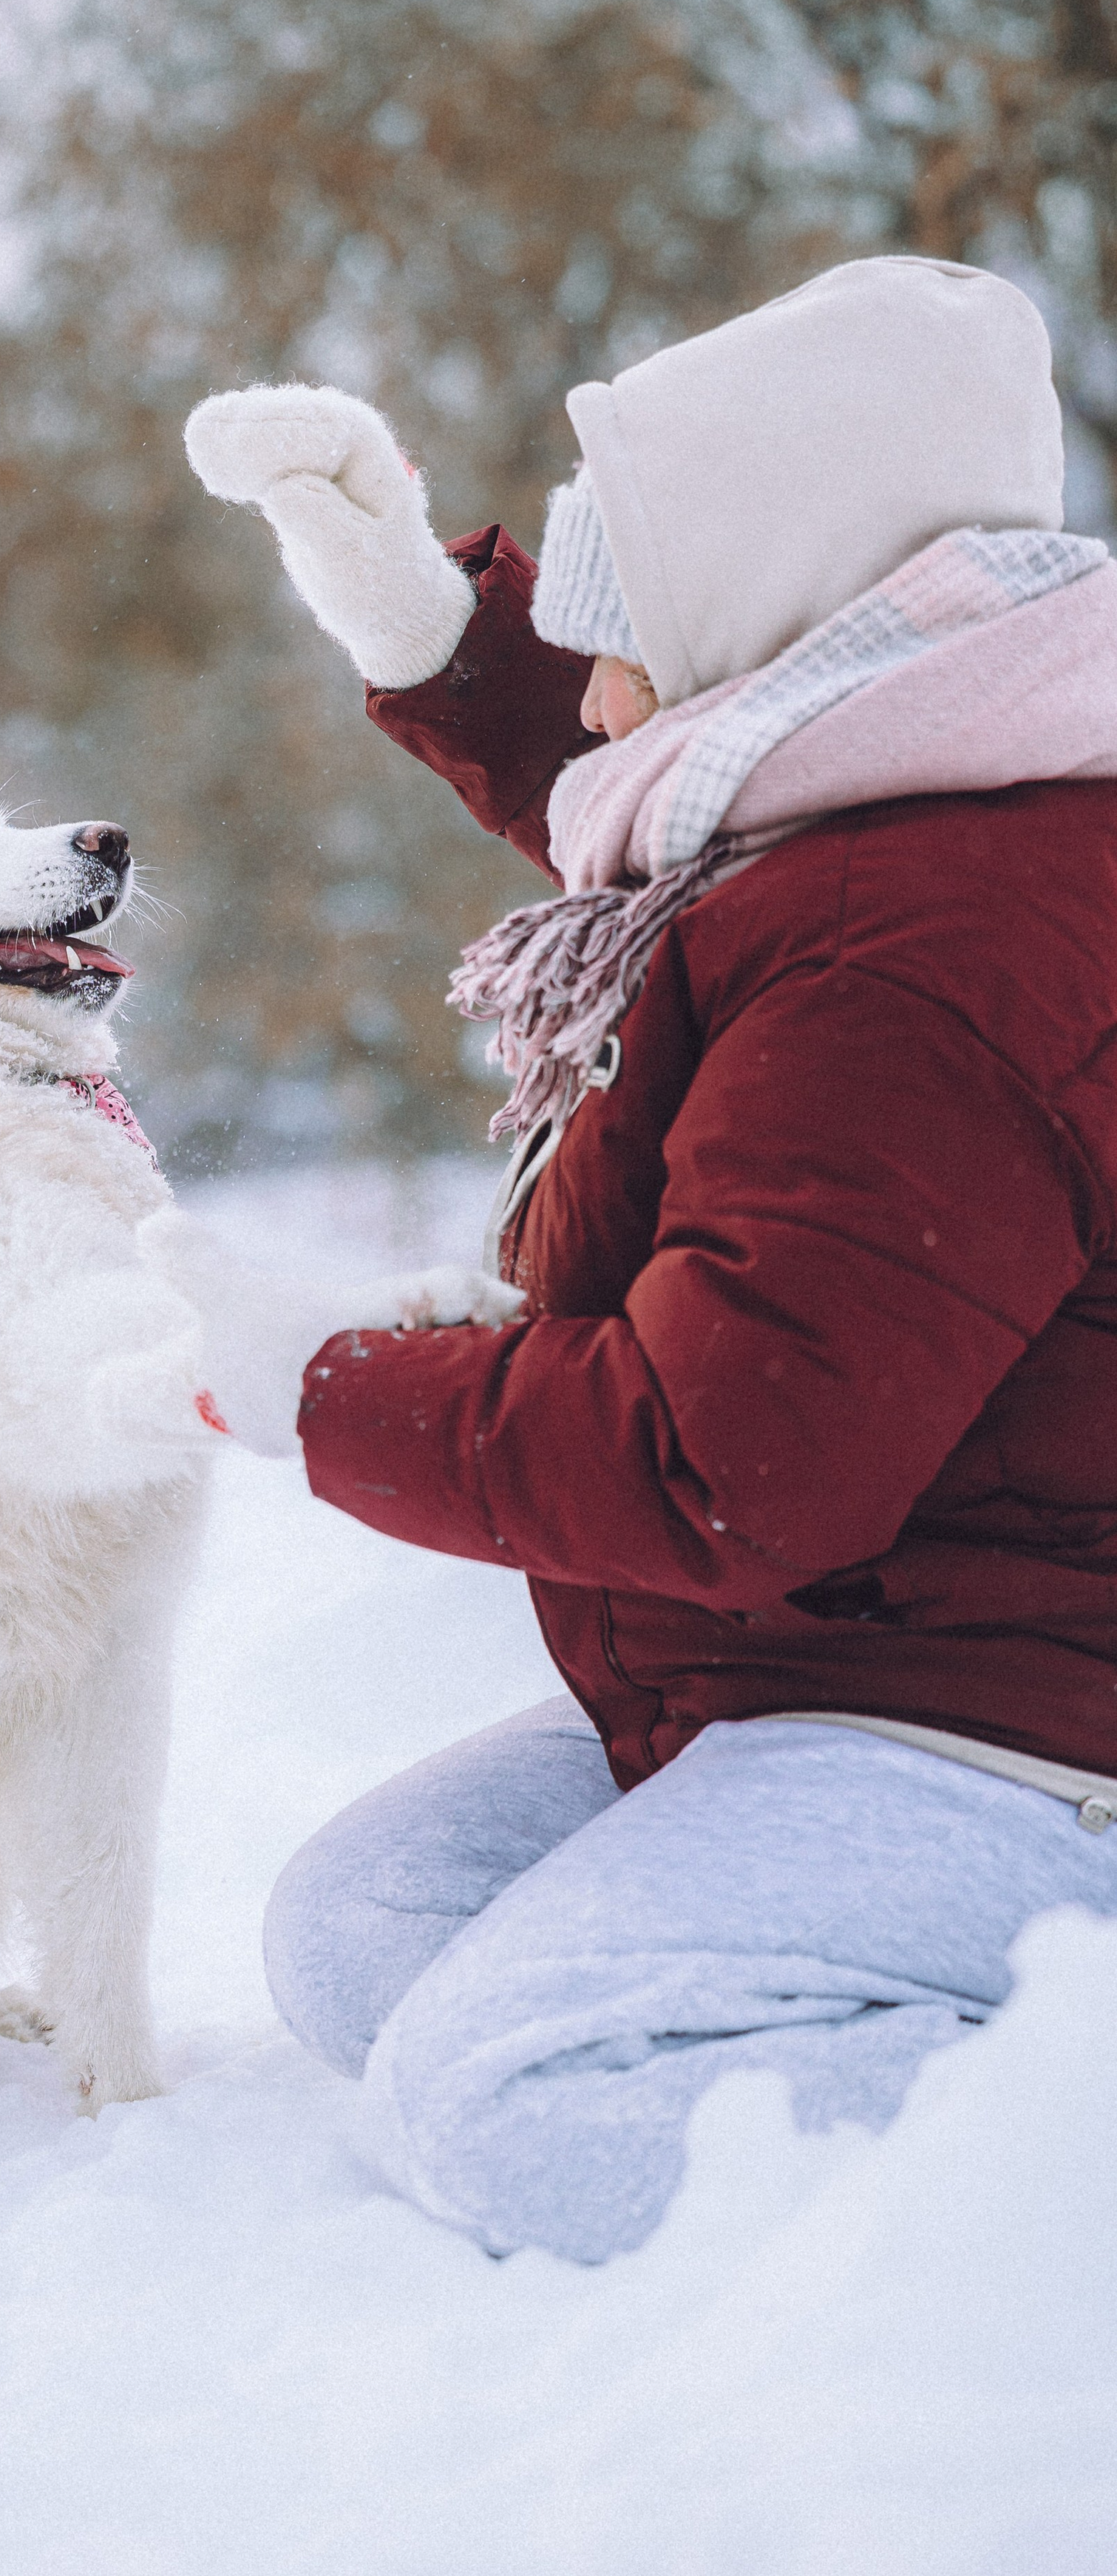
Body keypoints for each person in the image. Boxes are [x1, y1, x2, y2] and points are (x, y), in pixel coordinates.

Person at [180, 257, 1117, 2265]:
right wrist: (446, 641)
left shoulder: (924, 956)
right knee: (372, 1940)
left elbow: (727, 1455)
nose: (598, 697)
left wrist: (311, 1387)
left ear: (771, 622)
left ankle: (1065, 2129)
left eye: (628, 638)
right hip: (861, 1649)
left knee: (509, 2092)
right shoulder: (928, 792)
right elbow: (679, 813)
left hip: (1019, 1722)